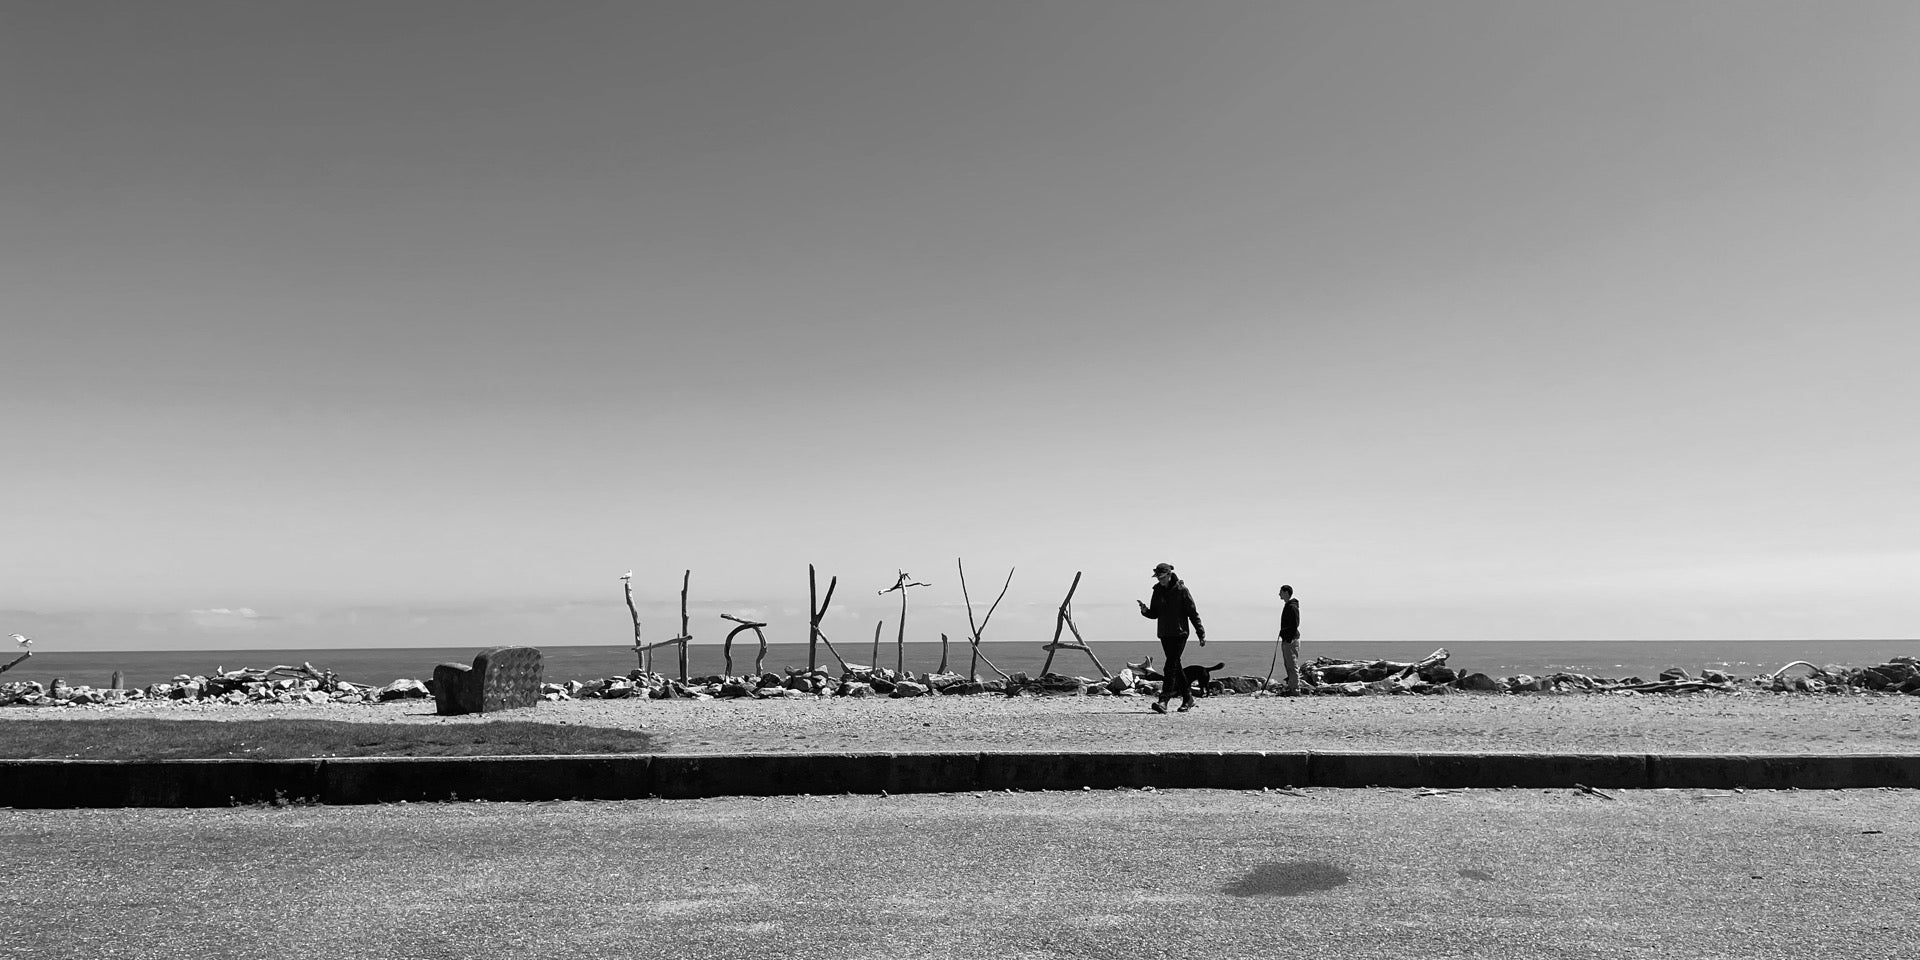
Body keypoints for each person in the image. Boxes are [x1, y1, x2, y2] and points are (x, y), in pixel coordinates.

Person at [1138, 562, 1206, 713]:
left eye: (1162, 577)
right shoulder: (1157, 591)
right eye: (1158, 578)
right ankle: (1188, 698)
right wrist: (1145, 611)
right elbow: (1154, 614)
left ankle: (1164, 700)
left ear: (1169, 575)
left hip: (1180, 634)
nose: (1160, 580)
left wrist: (1200, 633)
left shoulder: (1182, 590)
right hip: (1164, 634)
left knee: (1169, 666)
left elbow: (1193, 613)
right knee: (1176, 666)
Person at [1275, 584, 1302, 695]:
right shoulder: (1288, 605)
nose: (1279, 594)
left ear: (1286, 592)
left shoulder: (1292, 607)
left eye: (1281, 592)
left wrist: (1289, 637)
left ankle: (1295, 689)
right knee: (1288, 664)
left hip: (1291, 639)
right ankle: (1292, 687)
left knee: (1292, 664)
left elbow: (1295, 623)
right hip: (1288, 639)